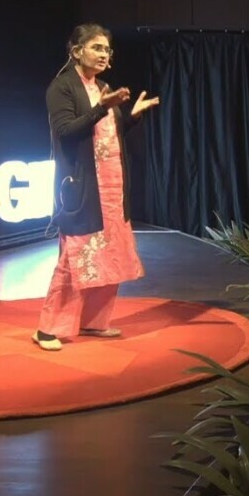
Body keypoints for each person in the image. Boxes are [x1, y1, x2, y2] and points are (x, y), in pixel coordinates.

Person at [33, 23, 161, 351]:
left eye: (107, 49)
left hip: (112, 187)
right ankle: (47, 329)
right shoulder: (62, 87)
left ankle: (93, 321)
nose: (104, 55)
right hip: (83, 188)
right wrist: (103, 107)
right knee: (76, 258)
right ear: (77, 51)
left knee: (109, 256)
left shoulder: (102, 86)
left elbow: (106, 134)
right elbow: (67, 131)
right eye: (97, 48)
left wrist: (131, 116)